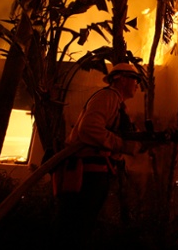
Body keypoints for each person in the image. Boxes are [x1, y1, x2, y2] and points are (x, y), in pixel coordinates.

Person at [52, 62, 143, 249]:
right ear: (121, 79)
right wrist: (123, 145)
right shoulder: (107, 97)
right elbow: (89, 128)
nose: (137, 84)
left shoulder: (116, 103)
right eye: (135, 79)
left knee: (80, 228)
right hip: (86, 176)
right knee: (76, 229)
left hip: (94, 174)